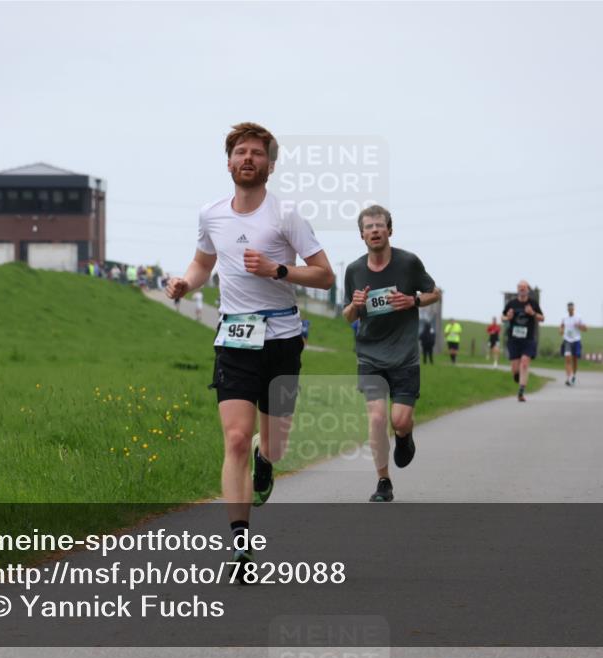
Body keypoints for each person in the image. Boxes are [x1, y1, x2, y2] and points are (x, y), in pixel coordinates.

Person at [164, 122, 334, 566]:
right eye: (240, 152)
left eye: (257, 153)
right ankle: (240, 545)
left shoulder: (286, 216)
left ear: (270, 165)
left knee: (272, 445)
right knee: (237, 438)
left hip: (281, 338)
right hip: (234, 338)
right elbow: (204, 261)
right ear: (228, 162)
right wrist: (186, 281)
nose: (247, 159)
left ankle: (267, 460)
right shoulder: (211, 213)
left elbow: (324, 275)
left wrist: (279, 270)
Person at [343, 204, 440, 502]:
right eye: (369, 227)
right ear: (362, 234)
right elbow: (347, 316)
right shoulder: (354, 270)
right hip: (370, 355)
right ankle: (383, 481)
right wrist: (356, 305)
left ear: (390, 230)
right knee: (376, 419)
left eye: (379, 225)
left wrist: (412, 300)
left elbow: (435, 293)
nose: (374, 230)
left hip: (405, 355)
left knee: (399, 420)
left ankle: (404, 436)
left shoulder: (409, 263)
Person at [502, 280, 544, 402]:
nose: (521, 289)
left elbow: (542, 318)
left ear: (528, 290)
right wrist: (508, 317)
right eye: (519, 287)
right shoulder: (512, 303)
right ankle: (518, 376)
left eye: (524, 287)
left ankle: (521, 392)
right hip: (514, 339)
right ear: (517, 289)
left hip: (528, 339)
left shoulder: (533, 303)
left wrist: (532, 313)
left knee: (524, 363)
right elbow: (503, 317)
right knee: (515, 369)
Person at [560, 301, 587, 386]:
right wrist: (561, 330)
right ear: (567, 309)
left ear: (573, 309)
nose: (570, 310)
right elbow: (561, 326)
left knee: (575, 360)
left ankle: (573, 376)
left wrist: (579, 326)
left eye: (571, 308)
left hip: (576, 340)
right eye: (569, 308)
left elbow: (586, 329)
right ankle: (568, 378)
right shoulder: (564, 318)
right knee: (567, 358)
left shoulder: (578, 318)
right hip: (567, 340)